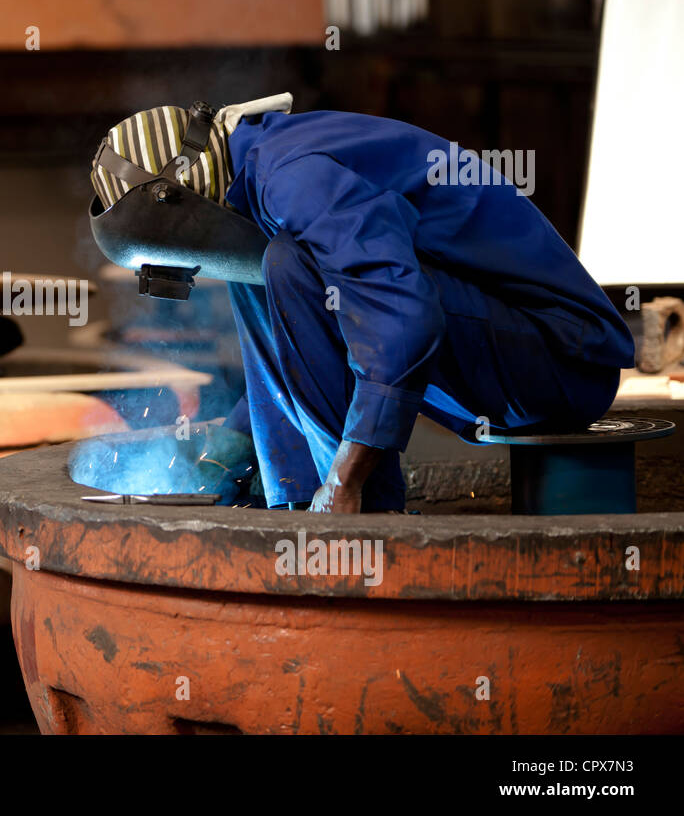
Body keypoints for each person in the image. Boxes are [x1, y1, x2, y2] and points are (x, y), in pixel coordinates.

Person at [88, 95, 633, 513]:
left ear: (179, 188)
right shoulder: (259, 171)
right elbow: (291, 327)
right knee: (261, 265)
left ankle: (355, 513)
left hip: (563, 363)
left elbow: (405, 318)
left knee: (287, 263)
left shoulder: (293, 175)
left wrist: (345, 479)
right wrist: (233, 439)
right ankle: (298, 498)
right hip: (508, 350)